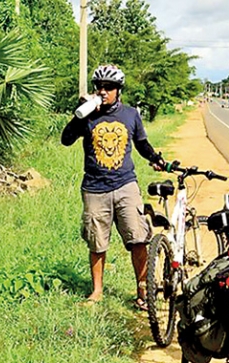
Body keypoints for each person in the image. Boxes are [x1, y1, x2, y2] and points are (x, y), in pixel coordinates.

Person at [61, 64, 165, 309]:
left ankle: (143, 290)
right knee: (97, 243)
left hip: (125, 185)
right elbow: (66, 140)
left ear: (119, 90)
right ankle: (96, 291)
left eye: (109, 87)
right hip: (95, 188)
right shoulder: (88, 115)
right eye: (99, 87)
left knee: (138, 239)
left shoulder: (131, 114)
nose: (103, 91)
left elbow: (141, 144)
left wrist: (156, 159)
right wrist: (81, 114)